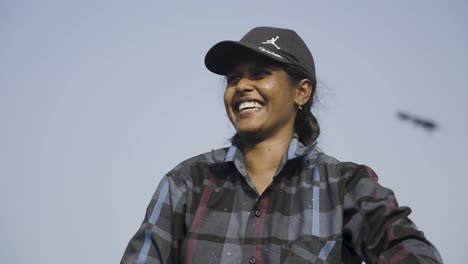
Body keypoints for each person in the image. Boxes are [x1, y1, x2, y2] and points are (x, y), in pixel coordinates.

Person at [121, 27, 443, 264]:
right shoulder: (186, 183)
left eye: (260, 74)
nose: (243, 86)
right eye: (233, 79)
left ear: (301, 92)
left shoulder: (346, 185)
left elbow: (414, 254)